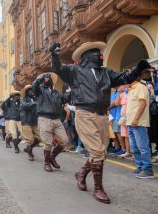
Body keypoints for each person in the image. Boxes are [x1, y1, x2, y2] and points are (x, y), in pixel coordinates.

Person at [50, 41, 151, 204]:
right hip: (85, 114)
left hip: (103, 116)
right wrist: (54, 55)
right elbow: (58, 69)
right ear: (89, 56)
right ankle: (98, 188)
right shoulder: (75, 71)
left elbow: (123, 77)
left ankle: (82, 173)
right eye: (98, 53)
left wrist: (137, 69)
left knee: (101, 153)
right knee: (97, 152)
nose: (101, 56)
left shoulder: (105, 73)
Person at [31, 73, 70, 171]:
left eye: (49, 78)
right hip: (44, 119)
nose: (47, 80)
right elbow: (34, 86)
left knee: (64, 141)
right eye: (46, 78)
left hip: (57, 119)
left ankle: (52, 157)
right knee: (48, 144)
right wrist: (40, 79)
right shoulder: (39, 91)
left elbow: (67, 97)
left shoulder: (57, 93)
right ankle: (47, 163)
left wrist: (73, 85)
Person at [126, 73, 155, 179]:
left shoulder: (141, 87)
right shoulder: (130, 89)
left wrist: (136, 119)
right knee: (134, 147)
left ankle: (147, 170)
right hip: (130, 123)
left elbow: (143, 103)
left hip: (138, 122)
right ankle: (140, 167)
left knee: (142, 146)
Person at [20, 85, 41, 161]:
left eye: (32, 90)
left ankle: (29, 148)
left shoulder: (36, 98)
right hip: (26, 121)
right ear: (26, 92)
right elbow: (23, 106)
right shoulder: (24, 99)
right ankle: (30, 153)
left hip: (35, 121)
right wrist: (34, 103)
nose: (31, 91)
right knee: (30, 139)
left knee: (39, 138)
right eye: (29, 90)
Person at [109, 87, 125, 155]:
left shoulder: (120, 91)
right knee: (114, 132)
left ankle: (123, 149)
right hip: (112, 115)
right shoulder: (114, 92)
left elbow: (115, 103)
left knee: (118, 132)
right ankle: (117, 147)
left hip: (117, 114)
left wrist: (107, 107)